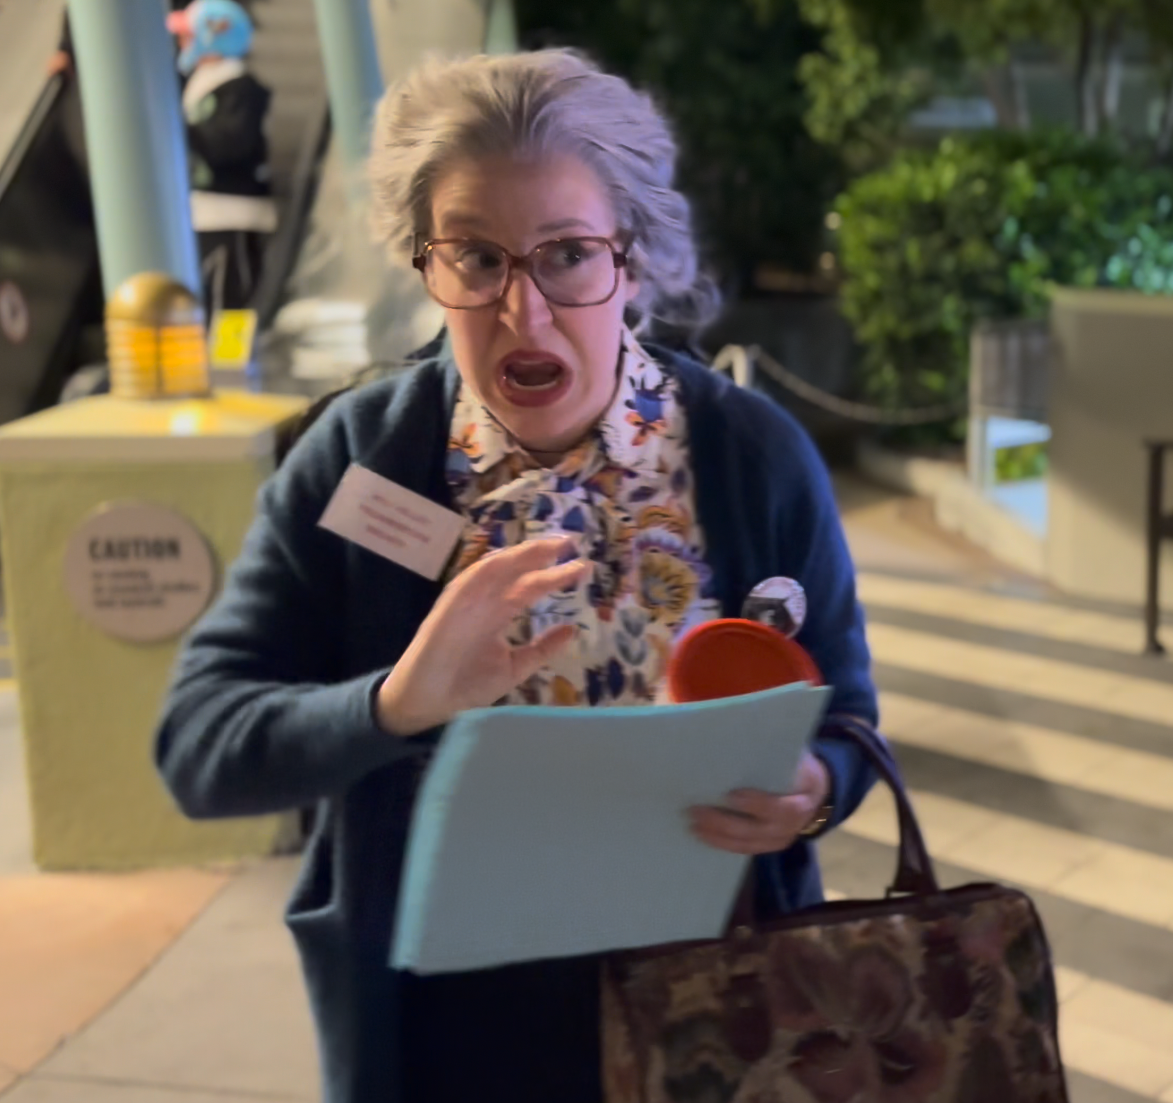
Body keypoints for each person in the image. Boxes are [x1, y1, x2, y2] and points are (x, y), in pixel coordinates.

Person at [154, 49, 879, 1103]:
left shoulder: (751, 456)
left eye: (569, 255)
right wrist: (398, 701)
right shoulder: (364, 458)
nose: (523, 313)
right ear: (424, 262)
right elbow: (199, 746)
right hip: (450, 1026)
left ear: (632, 258)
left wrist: (810, 787)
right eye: (477, 258)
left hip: (726, 1002)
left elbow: (848, 718)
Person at [166, 0, 275, 316]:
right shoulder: (199, 83)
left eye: (188, 35)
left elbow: (230, 144)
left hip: (232, 212)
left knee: (230, 300)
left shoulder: (239, 88)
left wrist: (184, 128)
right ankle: (218, 359)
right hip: (205, 211)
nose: (182, 43)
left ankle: (232, 363)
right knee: (211, 296)